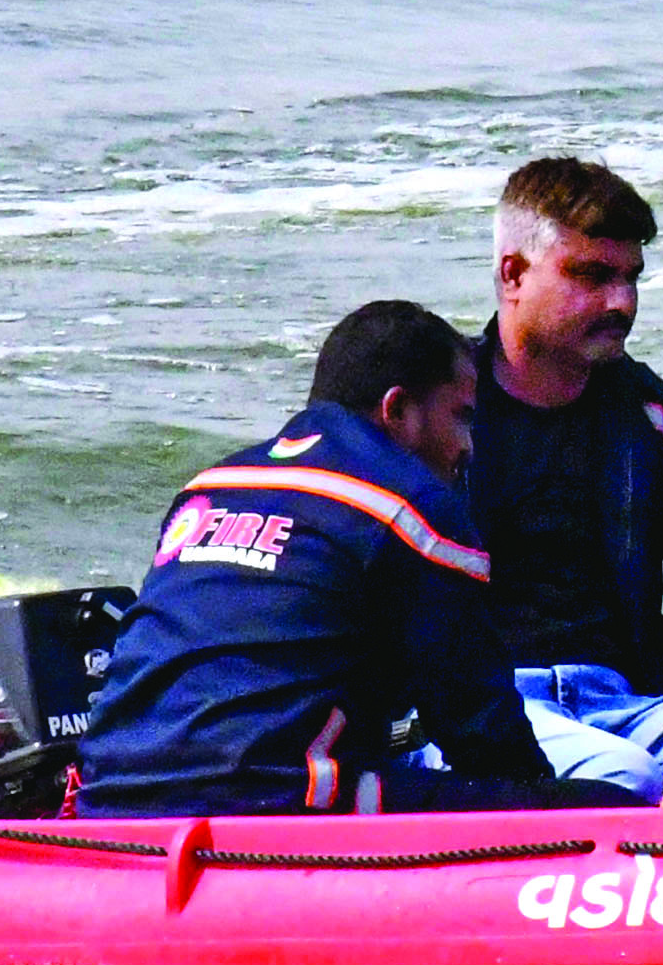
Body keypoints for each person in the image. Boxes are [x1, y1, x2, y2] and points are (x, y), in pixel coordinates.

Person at [76, 300, 621, 814]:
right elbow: (480, 725)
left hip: (111, 795)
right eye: (460, 417)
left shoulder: (207, 489)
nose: (468, 446)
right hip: (270, 800)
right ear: (397, 409)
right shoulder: (414, 507)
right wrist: (554, 810)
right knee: (606, 804)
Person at [466, 155, 663, 707]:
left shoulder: (652, 419)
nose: (623, 302)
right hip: (485, 712)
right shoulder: (430, 415)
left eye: (630, 277)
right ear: (513, 274)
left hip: (637, 702)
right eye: (592, 276)